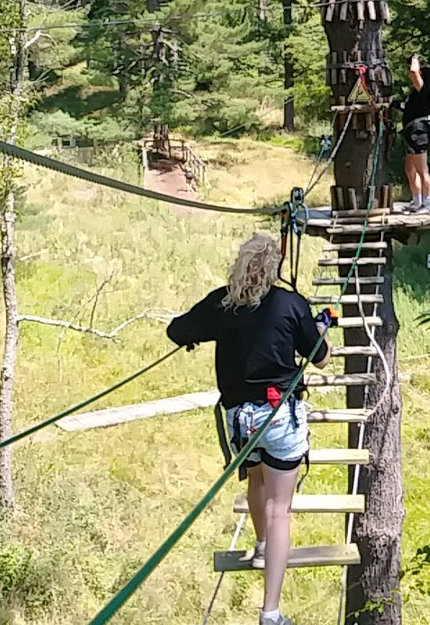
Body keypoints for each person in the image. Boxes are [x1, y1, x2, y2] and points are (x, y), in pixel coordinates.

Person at [166, 233, 331, 625]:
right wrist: (319, 327)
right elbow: (320, 358)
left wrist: (200, 337)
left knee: (255, 479)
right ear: (274, 268)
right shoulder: (290, 304)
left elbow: (178, 330)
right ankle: (270, 613)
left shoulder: (223, 303)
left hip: (239, 419)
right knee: (279, 510)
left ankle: (259, 546)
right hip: (279, 415)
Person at [400, 54, 430, 213]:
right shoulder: (415, 94)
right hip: (411, 132)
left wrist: (416, 58)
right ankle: (417, 200)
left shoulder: (425, 91)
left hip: (419, 133)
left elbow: (414, 72)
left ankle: (427, 203)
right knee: (410, 169)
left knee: (422, 170)